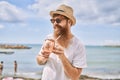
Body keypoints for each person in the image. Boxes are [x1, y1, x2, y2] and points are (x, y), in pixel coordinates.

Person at [36, 4, 87, 80]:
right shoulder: (49, 38)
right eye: (52, 21)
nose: (55, 24)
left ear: (69, 22)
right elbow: (39, 60)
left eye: (58, 20)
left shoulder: (78, 45)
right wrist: (43, 58)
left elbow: (75, 76)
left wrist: (62, 56)